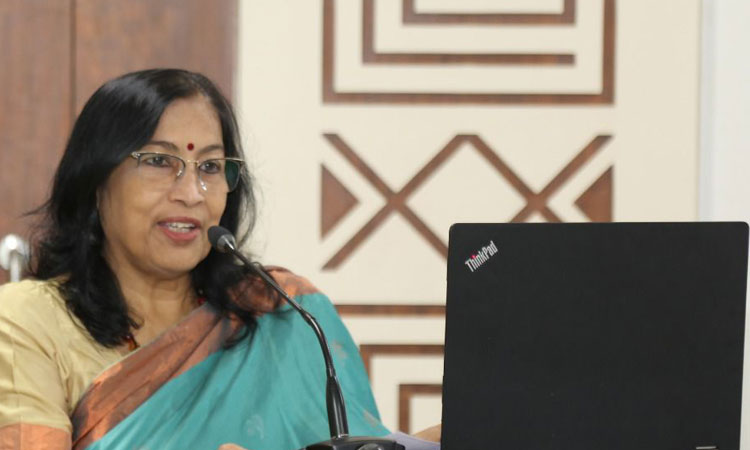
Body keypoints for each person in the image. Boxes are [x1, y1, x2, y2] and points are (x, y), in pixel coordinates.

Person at [0, 69, 440, 449]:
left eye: (210, 167)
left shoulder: (283, 312)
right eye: (159, 161)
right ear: (96, 180)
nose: (192, 193)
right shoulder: (30, 322)